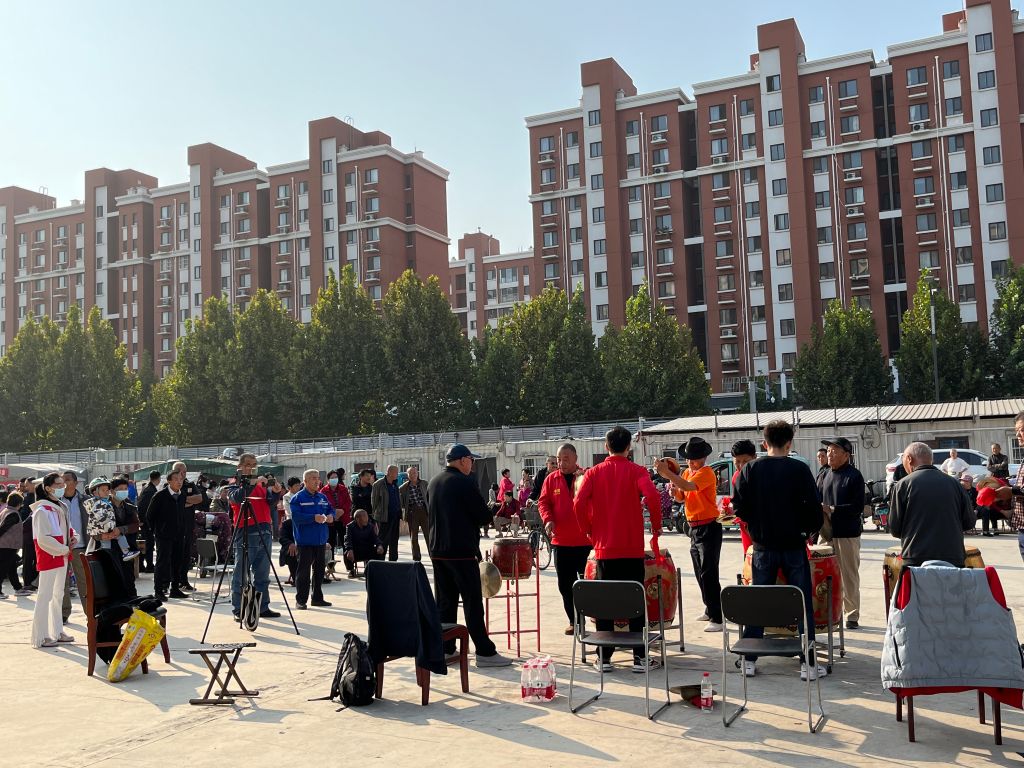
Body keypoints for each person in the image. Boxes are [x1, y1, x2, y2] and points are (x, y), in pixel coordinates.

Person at [731, 420, 825, 680]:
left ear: (764, 443)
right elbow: (814, 509)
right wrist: (807, 530)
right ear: (789, 443)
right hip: (794, 545)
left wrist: (755, 524)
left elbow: (738, 506)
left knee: (759, 602)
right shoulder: (799, 469)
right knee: (802, 603)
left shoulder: (751, 469)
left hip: (762, 547)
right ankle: (808, 663)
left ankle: (749, 659)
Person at [579, 426, 662, 672]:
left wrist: (588, 529)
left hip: (604, 549)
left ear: (606, 446)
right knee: (636, 600)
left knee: (605, 602)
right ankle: (640, 658)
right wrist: (656, 526)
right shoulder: (637, 471)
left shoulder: (593, 473)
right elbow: (652, 497)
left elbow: (578, 502)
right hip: (632, 548)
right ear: (629, 447)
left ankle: (604, 658)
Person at [427, 443, 511, 667]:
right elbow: (483, 516)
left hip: (438, 551)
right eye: (471, 460)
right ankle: (484, 652)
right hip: (461, 552)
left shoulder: (434, 482)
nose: (472, 465)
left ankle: (446, 648)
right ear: (463, 460)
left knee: (445, 603)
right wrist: (492, 509)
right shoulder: (465, 482)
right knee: (472, 603)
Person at [657, 436, 722, 632]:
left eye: (695, 459)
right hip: (694, 527)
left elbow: (687, 487)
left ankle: (717, 617)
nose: (691, 462)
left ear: (704, 458)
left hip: (708, 526)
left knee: (709, 573)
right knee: (699, 571)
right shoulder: (687, 472)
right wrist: (673, 490)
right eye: (689, 458)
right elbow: (681, 496)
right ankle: (710, 608)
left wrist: (668, 474)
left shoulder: (706, 473)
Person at [889, 442, 976, 567]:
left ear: (909, 459)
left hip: (916, 558)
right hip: (953, 557)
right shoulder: (955, 484)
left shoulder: (903, 485)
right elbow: (969, 522)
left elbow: (895, 528)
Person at [538, 442, 590, 633]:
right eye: (559, 459)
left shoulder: (586, 476)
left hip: (585, 541)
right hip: (561, 541)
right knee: (565, 585)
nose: (561, 463)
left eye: (566, 459)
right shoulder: (551, 479)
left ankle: (594, 618)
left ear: (576, 458)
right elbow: (543, 503)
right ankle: (574, 622)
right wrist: (548, 519)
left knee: (588, 584)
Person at [819, 437, 866, 630]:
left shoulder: (854, 476)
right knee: (823, 574)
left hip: (847, 534)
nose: (830, 454)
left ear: (846, 455)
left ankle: (851, 614)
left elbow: (858, 507)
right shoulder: (824, 474)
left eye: (835, 451)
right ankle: (828, 612)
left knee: (848, 576)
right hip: (825, 533)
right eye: (829, 450)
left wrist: (832, 509)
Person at [229, 453, 280, 620]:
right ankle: (239, 609)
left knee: (263, 574)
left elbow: (270, 503)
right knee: (241, 574)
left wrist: (276, 492)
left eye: (254, 465)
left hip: (264, 529)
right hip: (246, 530)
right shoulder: (235, 483)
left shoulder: (260, 484)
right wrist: (252, 482)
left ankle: (262, 606)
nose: (251, 468)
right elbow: (237, 497)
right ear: (240, 467)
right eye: (248, 465)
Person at [31, 473, 76, 648]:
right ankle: (41, 636)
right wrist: (64, 549)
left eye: (62, 484)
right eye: (58, 484)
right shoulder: (42, 510)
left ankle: (57, 631)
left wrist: (73, 538)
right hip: (49, 556)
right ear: (48, 488)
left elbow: (69, 529)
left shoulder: (61, 506)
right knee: (45, 596)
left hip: (61, 555)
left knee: (58, 595)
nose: (62, 487)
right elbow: (43, 539)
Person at [289, 469, 333, 610]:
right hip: (305, 541)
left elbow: (330, 509)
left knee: (319, 571)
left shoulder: (322, 497)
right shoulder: (298, 498)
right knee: (303, 572)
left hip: (320, 540)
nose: (317, 481)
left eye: (318, 478)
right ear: (305, 481)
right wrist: (313, 518)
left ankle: (317, 598)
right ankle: (301, 600)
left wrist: (331, 516)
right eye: (313, 478)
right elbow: (296, 517)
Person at [149, 469, 187, 600]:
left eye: (181, 479)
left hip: (178, 535)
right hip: (163, 536)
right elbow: (150, 516)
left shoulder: (182, 495)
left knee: (177, 562)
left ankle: (175, 589)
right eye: (176, 479)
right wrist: (157, 531)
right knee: (162, 563)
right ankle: (158, 590)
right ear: (169, 481)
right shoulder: (160, 496)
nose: (179, 482)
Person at [84, 477, 138, 562]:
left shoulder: (130, 507)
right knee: (107, 558)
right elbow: (94, 525)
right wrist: (102, 535)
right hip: (104, 544)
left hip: (125, 550)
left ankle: (126, 552)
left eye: (125, 489)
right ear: (112, 491)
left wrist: (120, 530)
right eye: (120, 489)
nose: (124, 491)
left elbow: (135, 525)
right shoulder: (98, 505)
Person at [61, 470, 89, 622]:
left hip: (81, 546)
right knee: (62, 582)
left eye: (67, 479)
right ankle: (64, 613)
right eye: (62, 480)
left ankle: (89, 613)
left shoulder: (86, 500)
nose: (64, 483)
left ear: (76, 483)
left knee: (84, 582)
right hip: (61, 548)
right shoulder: (56, 501)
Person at [729, 439, 758, 557]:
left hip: (760, 527)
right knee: (748, 556)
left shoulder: (761, 475)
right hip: (744, 526)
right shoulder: (735, 476)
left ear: (755, 457)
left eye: (745, 461)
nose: (741, 466)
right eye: (737, 462)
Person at [371, 465, 402, 562]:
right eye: (396, 472)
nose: (397, 474)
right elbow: (374, 502)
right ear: (389, 472)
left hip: (395, 516)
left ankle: (393, 561)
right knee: (383, 540)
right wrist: (375, 516)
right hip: (384, 517)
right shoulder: (378, 484)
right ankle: (381, 561)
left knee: (394, 540)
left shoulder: (395, 484)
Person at [399, 466, 430, 562]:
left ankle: (433, 555)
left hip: (425, 511)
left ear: (418, 473)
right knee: (414, 537)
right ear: (407, 475)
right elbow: (402, 503)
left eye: (415, 473)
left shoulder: (424, 483)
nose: (413, 475)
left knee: (429, 535)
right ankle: (416, 559)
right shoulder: (403, 488)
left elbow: (430, 497)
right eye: (411, 473)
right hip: (412, 512)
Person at [343, 509, 385, 576]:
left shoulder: (370, 526)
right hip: (356, 551)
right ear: (357, 519)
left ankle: (375, 569)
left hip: (367, 549)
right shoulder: (350, 526)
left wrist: (379, 545)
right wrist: (349, 549)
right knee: (346, 553)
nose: (367, 519)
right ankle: (351, 570)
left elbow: (375, 538)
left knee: (380, 551)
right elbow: (348, 539)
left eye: (367, 516)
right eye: (364, 516)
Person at [320, 469, 352, 556]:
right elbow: (323, 506)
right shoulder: (323, 491)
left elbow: (348, 502)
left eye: (336, 477)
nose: (334, 479)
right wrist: (334, 513)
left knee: (346, 543)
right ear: (328, 480)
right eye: (332, 478)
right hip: (330, 521)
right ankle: (330, 562)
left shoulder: (343, 489)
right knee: (330, 543)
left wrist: (342, 511)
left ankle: (348, 563)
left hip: (343, 519)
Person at [0, 492, 26, 598]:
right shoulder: (13, 514)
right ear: (19, 504)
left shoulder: (5, 511)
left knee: (12, 567)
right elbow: (3, 528)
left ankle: (18, 588)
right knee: (3, 569)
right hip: (7, 545)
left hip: (7, 545)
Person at [136, 470, 161, 573]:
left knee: (145, 544)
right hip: (147, 523)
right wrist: (143, 520)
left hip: (146, 522)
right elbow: (143, 507)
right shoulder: (150, 490)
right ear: (158, 479)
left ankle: (143, 565)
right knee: (149, 545)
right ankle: (149, 565)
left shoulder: (147, 488)